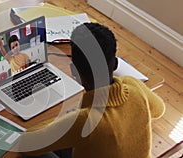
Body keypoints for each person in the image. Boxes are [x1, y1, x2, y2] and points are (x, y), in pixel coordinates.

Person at [17, 23, 165, 158]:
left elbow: (25, 144)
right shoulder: (134, 86)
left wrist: (62, 121)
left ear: (74, 71)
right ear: (115, 65)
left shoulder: (84, 121)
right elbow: (159, 110)